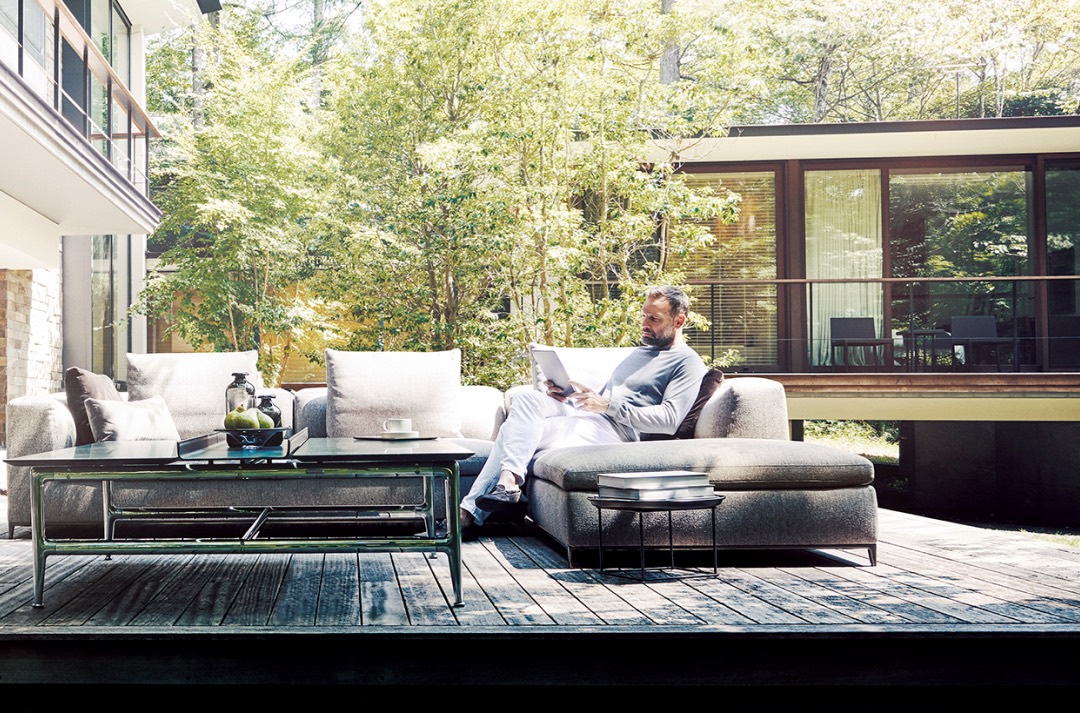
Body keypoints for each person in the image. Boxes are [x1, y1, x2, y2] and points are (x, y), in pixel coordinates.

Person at [459, 285, 708, 528]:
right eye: (644, 315)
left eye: (654, 318)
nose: (645, 323)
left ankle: (475, 508)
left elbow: (669, 419)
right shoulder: (642, 352)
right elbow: (610, 397)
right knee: (527, 400)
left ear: (679, 321)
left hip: (619, 433)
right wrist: (570, 396)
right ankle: (506, 487)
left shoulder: (687, 362)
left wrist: (607, 406)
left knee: (511, 433)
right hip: (591, 419)